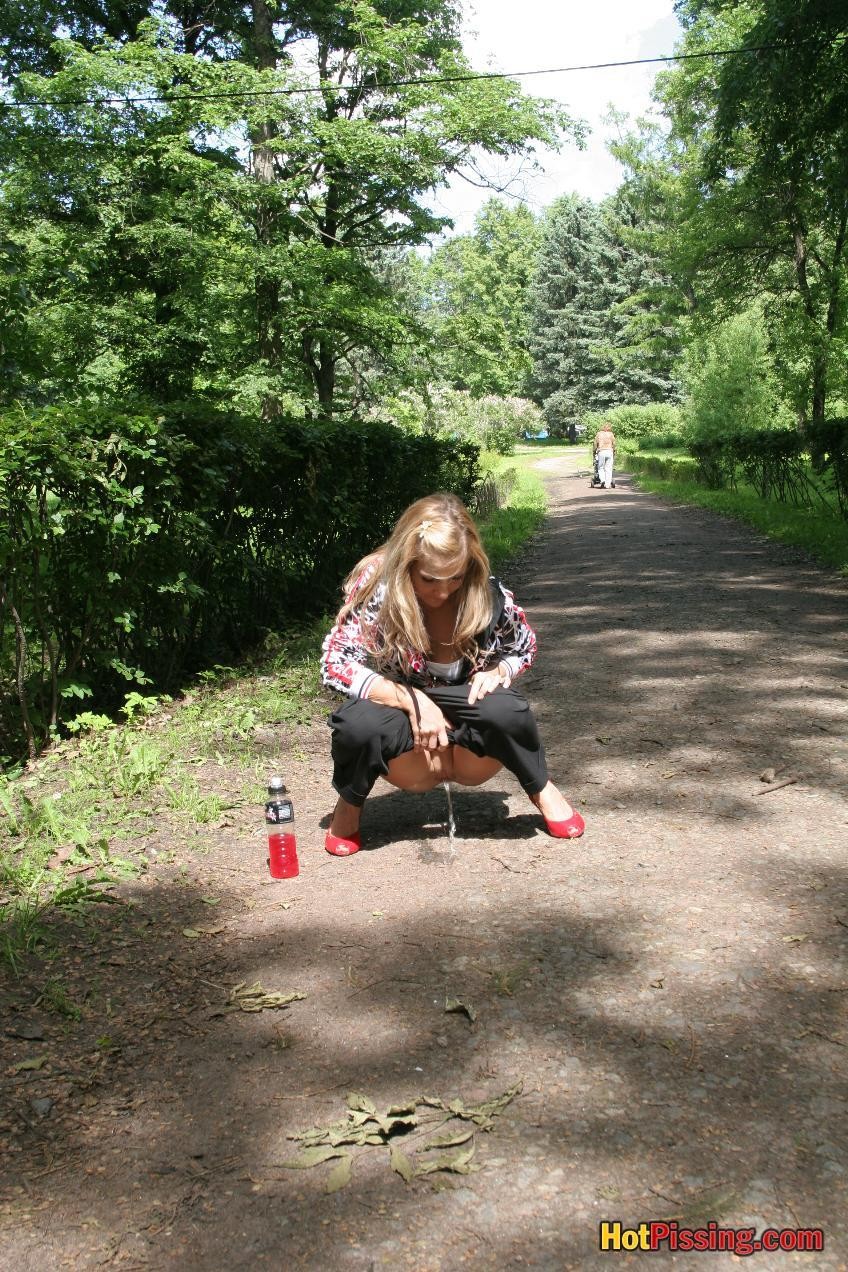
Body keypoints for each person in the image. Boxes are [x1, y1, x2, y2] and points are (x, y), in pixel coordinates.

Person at [319, 493, 585, 856]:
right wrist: (413, 702)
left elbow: (524, 646)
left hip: (464, 713)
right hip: (400, 716)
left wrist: (499, 669)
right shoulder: (378, 584)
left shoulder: (485, 589)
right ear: (406, 564)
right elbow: (335, 662)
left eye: (454, 578)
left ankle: (541, 787)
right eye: (429, 579)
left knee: (510, 711)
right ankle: (349, 803)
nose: (443, 592)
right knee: (358, 727)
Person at [593, 421, 616, 490]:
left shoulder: (599, 434)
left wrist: (594, 451)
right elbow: (614, 444)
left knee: (600, 467)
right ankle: (607, 485)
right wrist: (614, 450)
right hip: (609, 451)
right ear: (609, 428)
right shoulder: (611, 434)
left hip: (601, 451)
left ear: (602, 428)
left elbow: (595, 443)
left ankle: (602, 480)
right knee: (608, 468)